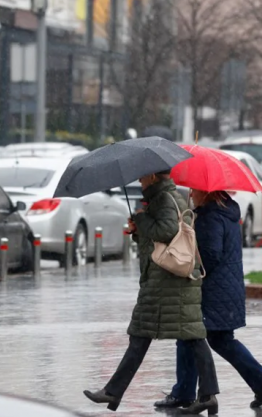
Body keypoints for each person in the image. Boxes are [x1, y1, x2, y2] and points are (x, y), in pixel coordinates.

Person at [83, 171, 220, 415]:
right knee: (153, 336)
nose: (140, 181)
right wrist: (139, 230)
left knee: (185, 337)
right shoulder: (163, 197)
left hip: (169, 285)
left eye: (143, 177)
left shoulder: (164, 198)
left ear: (154, 176)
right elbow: (160, 241)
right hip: (164, 283)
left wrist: (141, 218)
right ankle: (114, 392)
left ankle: (113, 392)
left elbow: (166, 231)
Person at [155, 190, 262, 411]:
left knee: (190, 335)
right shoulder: (226, 212)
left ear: (205, 193)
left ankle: (184, 393)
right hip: (227, 288)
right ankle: (261, 382)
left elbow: (210, 255)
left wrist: (190, 267)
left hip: (213, 290)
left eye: (194, 190)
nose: (191, 193)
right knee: (219, 340)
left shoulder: (211, 216)